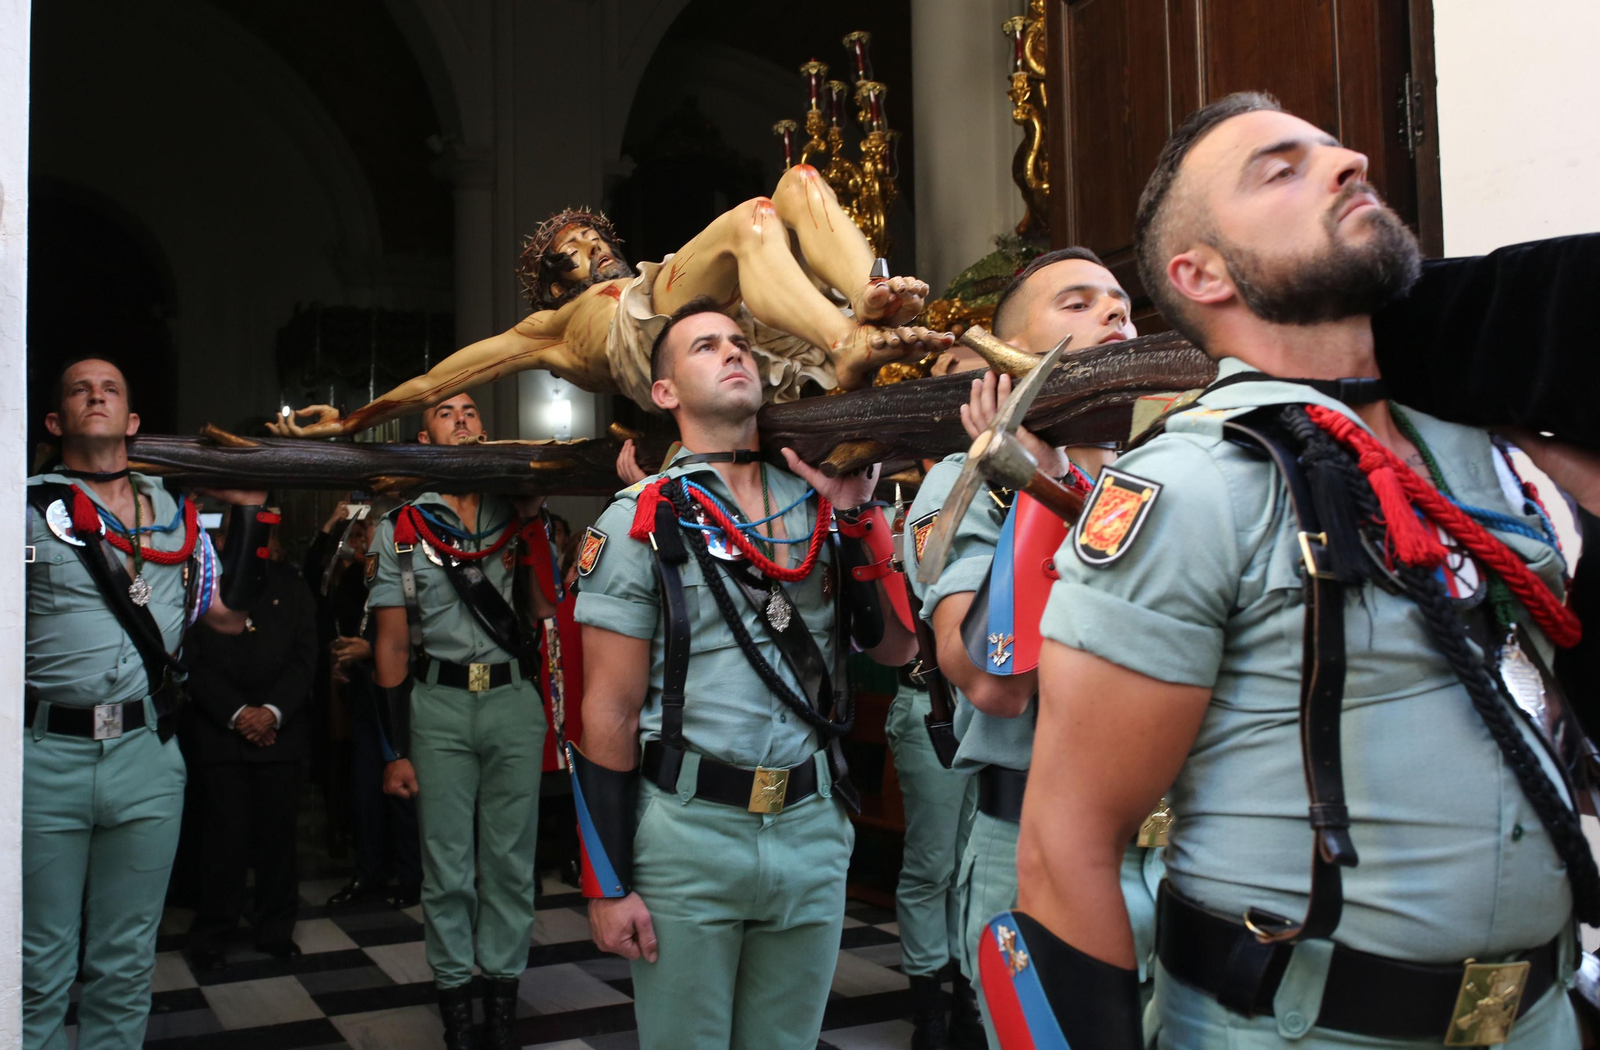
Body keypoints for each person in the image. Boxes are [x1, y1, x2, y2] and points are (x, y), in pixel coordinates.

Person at [1013, 92, 1592, 1048]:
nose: (1350, 160)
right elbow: (1065, 846)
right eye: (1279, 170)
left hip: (1539, 1020)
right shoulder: (1195, 484)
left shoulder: (1485, 445)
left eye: (1334, 149)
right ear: (1199, 275)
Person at [572, 297, 919, 1049]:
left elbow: (895, 650)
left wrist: (859, 522)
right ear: (664, 393)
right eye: (705, 347)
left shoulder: (825, 501)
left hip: (810, 826)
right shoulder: (640, 520)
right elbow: (607, 711)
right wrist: (607, 882)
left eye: (740, 344)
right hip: (689, 834)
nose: (733, 354)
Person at [904, 248, 1164, 1047]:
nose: (1113, 315)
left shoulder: (1173, 468)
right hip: (1039, 842)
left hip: (1188, 847)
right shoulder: (961, 484)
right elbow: (992, 682)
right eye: (1077, 304)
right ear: (1009, 354)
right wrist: (1030, 482)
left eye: (1119, 303)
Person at [268, 166, 954, 436]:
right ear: (554, 281)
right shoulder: (553, 326)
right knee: (754, 217)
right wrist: (355, 419)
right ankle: (844, 340)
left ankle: (870, 296)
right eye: (572, 249)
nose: (592, 248)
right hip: (650, 334)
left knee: (798, 186)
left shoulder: (654, 275)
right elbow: (443, 376)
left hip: (735, 328)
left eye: (593, 237)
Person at [24, 357, 271, 1050]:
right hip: (46, 757)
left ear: (132, 422)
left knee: (125, 962)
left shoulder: (177, 512)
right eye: (80, 389)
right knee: (39, 965)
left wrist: (250, 509)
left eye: (110, 390)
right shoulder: (26, 510)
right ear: (55, 420)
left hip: (146, 756)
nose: (95, 396)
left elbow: (223, 615)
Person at [367, 391, 560, 1050]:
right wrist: (396, 746)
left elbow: (540, 608)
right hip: (439, 703)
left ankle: (501, 1002)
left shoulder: (516, 511)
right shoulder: (399, 524)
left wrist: (534, 521)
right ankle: (454, 1004)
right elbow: (391, 646)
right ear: (424, 440)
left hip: (510, 700)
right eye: (446, 413)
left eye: (473, 411)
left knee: (510, 863)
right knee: (447, 868)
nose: (463, 420)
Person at [184, 525, 317, 970]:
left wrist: (272, 712)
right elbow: (192, 659)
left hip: (279, 733)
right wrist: (238, 713)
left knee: (278, 840)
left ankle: (275, 930)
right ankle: (214, 931)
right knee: (223, 838)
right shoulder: (205, 584)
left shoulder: (291, 584)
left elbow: (305, 657)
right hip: (221, 733)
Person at [308, 503, 423, 909]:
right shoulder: (359, 577)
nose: (366, 536)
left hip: (401, 698)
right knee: (365, 792)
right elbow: (319, 589)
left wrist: (369, 650)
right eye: (363, 529)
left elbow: (419, 641)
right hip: (363, 696)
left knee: (403, 792)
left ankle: (411, 877)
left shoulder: (415, 571)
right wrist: (345, 659)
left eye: (373, 526)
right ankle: (368, 873)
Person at [881, 669, 977, 1050]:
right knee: (932, 868)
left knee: (969, 867)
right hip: (931, 701)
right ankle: (930, 1021)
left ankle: (967, 1014)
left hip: (989, 709)